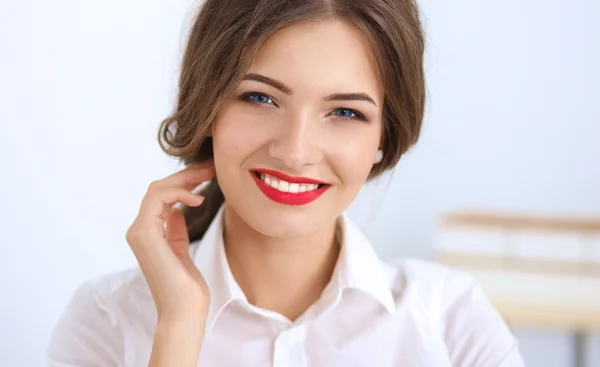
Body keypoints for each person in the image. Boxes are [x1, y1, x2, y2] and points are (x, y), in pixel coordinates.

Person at [47, 0, 525, 366]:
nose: (295, 151)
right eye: (260, 97)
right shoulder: (108, 320)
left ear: (385, 136)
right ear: (208, 107)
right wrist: (177, 331)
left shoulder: (451, 323)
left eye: (344, 112)